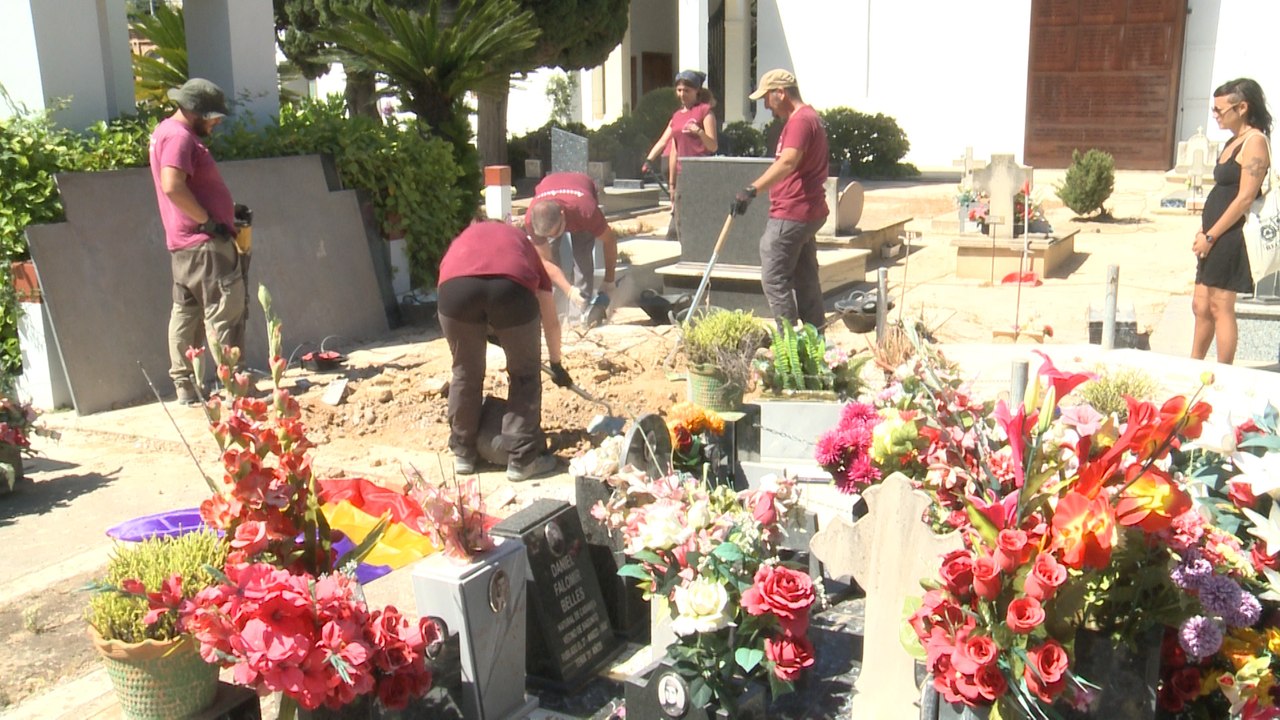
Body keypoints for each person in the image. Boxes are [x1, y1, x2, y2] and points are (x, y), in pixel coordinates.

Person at [437, 220, 571, 482]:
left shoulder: (463, 238)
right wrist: (556, 363)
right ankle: (522, 461)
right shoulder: (523, 245)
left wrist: (487, 326)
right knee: (525, 374)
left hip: (455, 292)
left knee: (465, 372)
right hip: (511, 292)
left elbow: (456, 285)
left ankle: (464, 454)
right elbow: (551, 320)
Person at [149, 78, 246, 407]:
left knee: (186, 312)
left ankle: (186, 387)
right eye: (213, 117)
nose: (217, 122)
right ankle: (229, 385)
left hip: (184, 244)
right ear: (195, 112)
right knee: (224, 309)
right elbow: (172, 185)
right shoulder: (178, 136)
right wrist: (208, 221)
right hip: (204, 244)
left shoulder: (165, 131)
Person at [730, 69, 830, 329]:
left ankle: (789, 345)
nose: (765, 105)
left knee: (774, 278)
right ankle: (814, 339)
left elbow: (787, 161)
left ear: (780, 93)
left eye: (766, 97)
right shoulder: (810, 118)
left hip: (792, 212)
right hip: (808, 211)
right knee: (806, 277)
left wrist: (752, 190)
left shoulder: (799, 121)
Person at [1191, 77, 1272, 364]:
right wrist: (1205, 231)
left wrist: (1211, 236)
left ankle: (1225, 371)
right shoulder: (1232, 141)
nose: (1214, 116)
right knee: (1200, 304)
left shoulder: (1255, 142)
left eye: (1220, 110)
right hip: (1213, 233)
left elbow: (1244, 198)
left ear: (1242, 108)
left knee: (1219, 305)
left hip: (1231, 235)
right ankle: (1194, 363)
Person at [524, 171, 619, 319]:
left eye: (555, 232)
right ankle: (556, 314)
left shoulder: (586, 212)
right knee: (552, 259)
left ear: (562, 214)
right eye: (547, 235)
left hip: (580, 196)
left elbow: (610, 241)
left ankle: (580, 314)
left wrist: (609, 280)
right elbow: (546, 263)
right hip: (550, 187)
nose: (551, 237)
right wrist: (569, 291)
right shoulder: (532, 219)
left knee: (582, 256)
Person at [642, 70, 719, 241]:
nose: (682, 94)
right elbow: (670, 145)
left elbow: (712, 146)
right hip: (682, 172)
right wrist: (669, 180)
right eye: (679, 90)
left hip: (701, 171)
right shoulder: (676, 116)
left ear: (696, 91)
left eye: (687, 90)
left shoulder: (705, 111)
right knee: (680, 216)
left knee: (698, 214)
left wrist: (699, 131)